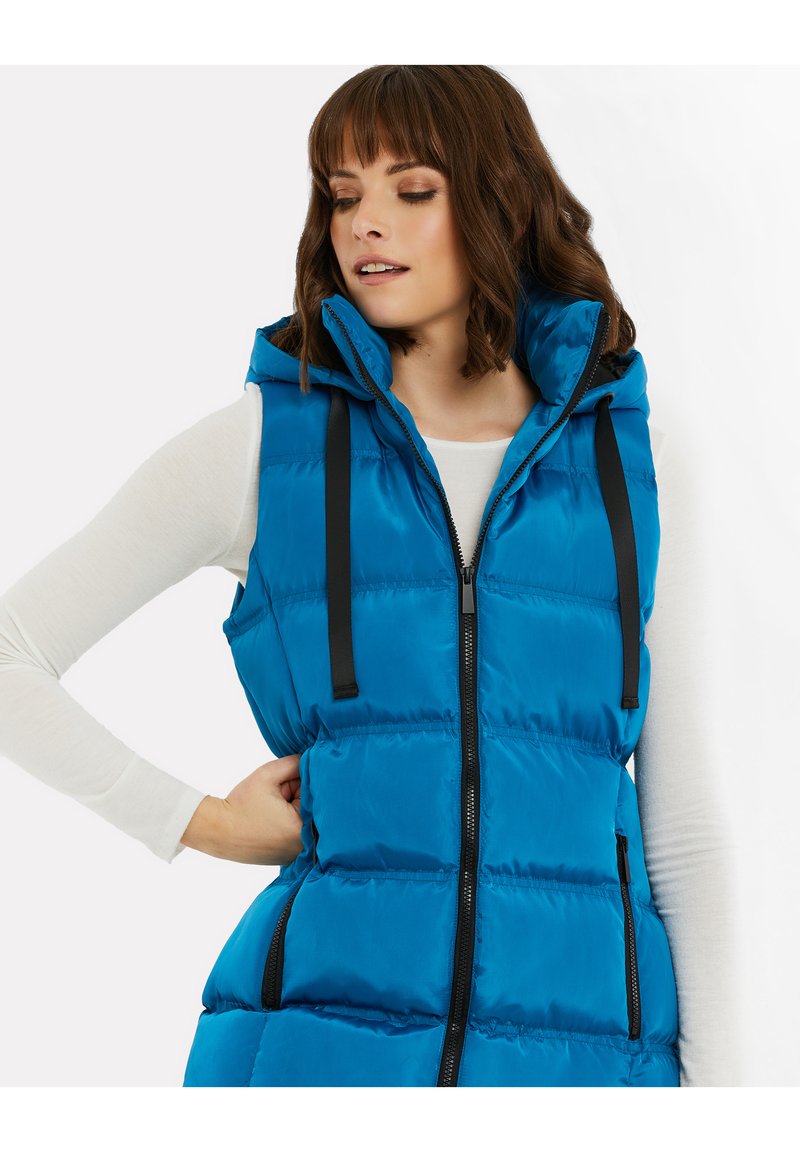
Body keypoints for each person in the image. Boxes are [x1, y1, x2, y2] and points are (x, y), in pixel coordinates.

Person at [0, 65, 739, 1087]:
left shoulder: (632, 461)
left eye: (412, 189)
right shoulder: (265, 445)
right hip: (319, 1057)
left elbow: (683, 823)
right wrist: (201, 823)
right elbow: (14, 653)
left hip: (585, 1070)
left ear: (501, 202)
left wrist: (722, 1099)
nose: (365, 225)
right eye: (343, 195)